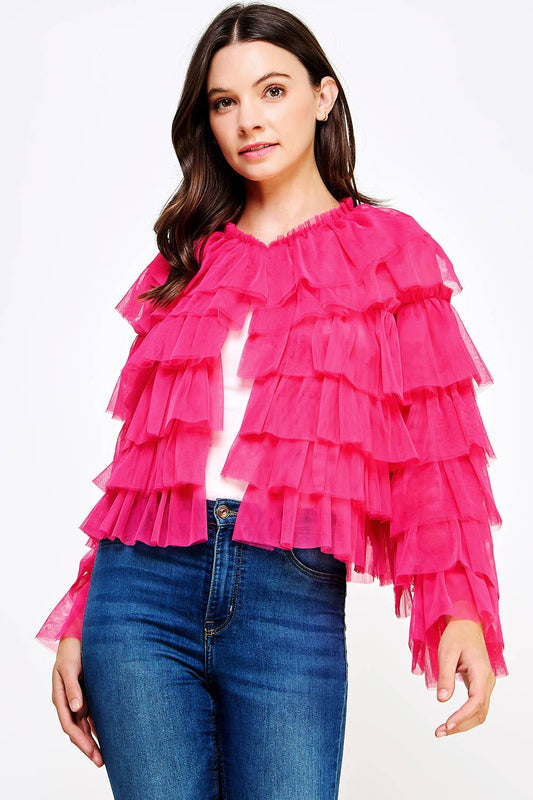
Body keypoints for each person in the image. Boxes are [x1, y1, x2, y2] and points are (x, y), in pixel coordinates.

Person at [35, 3, 508, 798]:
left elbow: (438, 445)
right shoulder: (187, 262)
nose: (248, 120)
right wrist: (83, 607)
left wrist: (459, 606)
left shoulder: (390, 252)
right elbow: (141, 465)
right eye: (224, 102)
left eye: (273, 90)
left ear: (323, 96)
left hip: (291, 596)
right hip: (139, 594)